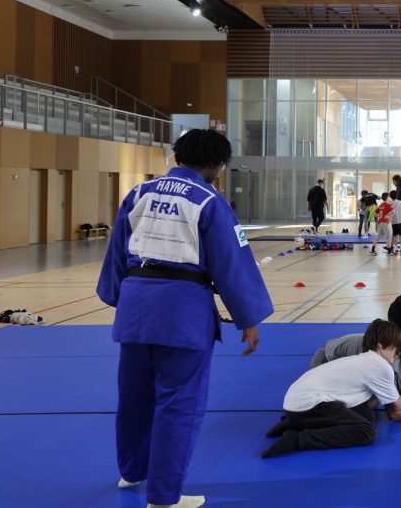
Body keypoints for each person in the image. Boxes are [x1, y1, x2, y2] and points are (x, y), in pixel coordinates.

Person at [97, 129, 274, 508]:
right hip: (182, 313)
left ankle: (132, 472)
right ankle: (164, 497)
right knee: (179, 403)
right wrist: (248, 318)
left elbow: (117, 252)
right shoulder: (209, 201)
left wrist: (119, 297)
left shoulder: (139, 194)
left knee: (134, 397)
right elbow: (231, 263)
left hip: (135, 308)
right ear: (215, 165)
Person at [261, 320, 401, 458]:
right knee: (366, 432)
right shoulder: (382, 366)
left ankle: (292, 424)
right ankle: (298, 439)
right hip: (306, 405)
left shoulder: (366, 358)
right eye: (395, 349)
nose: (398, 354)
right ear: (380, 346)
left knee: (366, 416)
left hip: (297, 403)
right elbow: (396, 405)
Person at [308, 322, 401, 422]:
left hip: (336, 353)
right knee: (373, 400)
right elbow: (394, 412)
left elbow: (399, 401)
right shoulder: (390, 368)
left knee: (383, 394)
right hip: (324, 361)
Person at [388, 190, 401, 254]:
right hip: (400, 221)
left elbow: (388, 212)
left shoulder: (389, 203)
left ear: (390, 196)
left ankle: (396, 248)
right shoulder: (400, 202)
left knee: (395, 236)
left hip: (393, 221)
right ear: (397, 196)